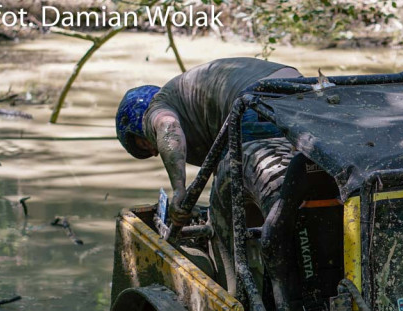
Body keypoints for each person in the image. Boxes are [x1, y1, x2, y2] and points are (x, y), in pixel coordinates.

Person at [115, 57, 302, 225]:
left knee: (230, 223)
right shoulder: (188, 98)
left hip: (256, 102)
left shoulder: (156, 108)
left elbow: (168, 126)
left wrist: (179, 189)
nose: (154, 152)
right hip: (304, 90)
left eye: (144, 144)